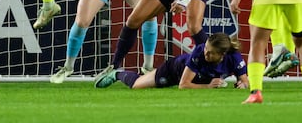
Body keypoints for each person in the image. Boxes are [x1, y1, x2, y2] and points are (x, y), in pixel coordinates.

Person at [95, 32, 249, 90]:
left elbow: (246, 81)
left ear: (222, 54)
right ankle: (117, 74)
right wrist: (208, 86)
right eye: (206, 49)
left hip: (195, 77)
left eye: (210, 53)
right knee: (137, 86)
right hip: (174, 70)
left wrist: (242, 84)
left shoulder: (234, 57)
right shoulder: (199, 53)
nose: (206, 53)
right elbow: (183, 85)